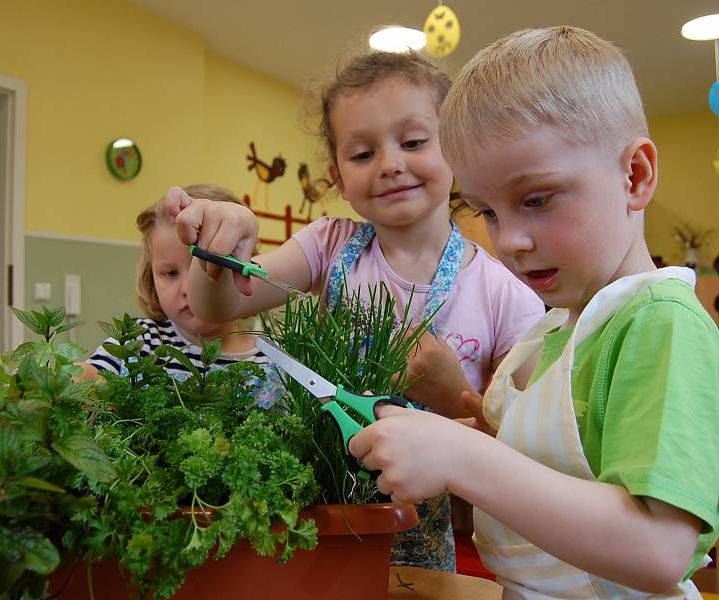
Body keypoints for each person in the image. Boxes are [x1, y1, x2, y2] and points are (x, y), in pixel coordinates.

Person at [349, 26, 719, 598]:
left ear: (636, 175)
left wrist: (463, 458)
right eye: (488, 213)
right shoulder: (549, 331)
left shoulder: (658, 319)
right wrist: (459, 428)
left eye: (537, 200)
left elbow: (658, 549)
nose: (510, 241)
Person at [163, 51, 545, 572]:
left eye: (413, 142)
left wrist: (457, 395)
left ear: (456, 148)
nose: (390, 163)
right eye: (362, 154)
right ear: (338, 176)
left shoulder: (506, 295)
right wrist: (218, 242)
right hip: (315, 513)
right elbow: (218, 306)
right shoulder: (327, 247)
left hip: (421, 540)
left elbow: (528, 452)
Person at [80, 184, 282, 408]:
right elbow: (87, 380)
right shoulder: (138, 342)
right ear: (151, 278)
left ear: (244, 267)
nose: (188, 288)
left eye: (205, 269)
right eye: (171, 273)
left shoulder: (272, 357)